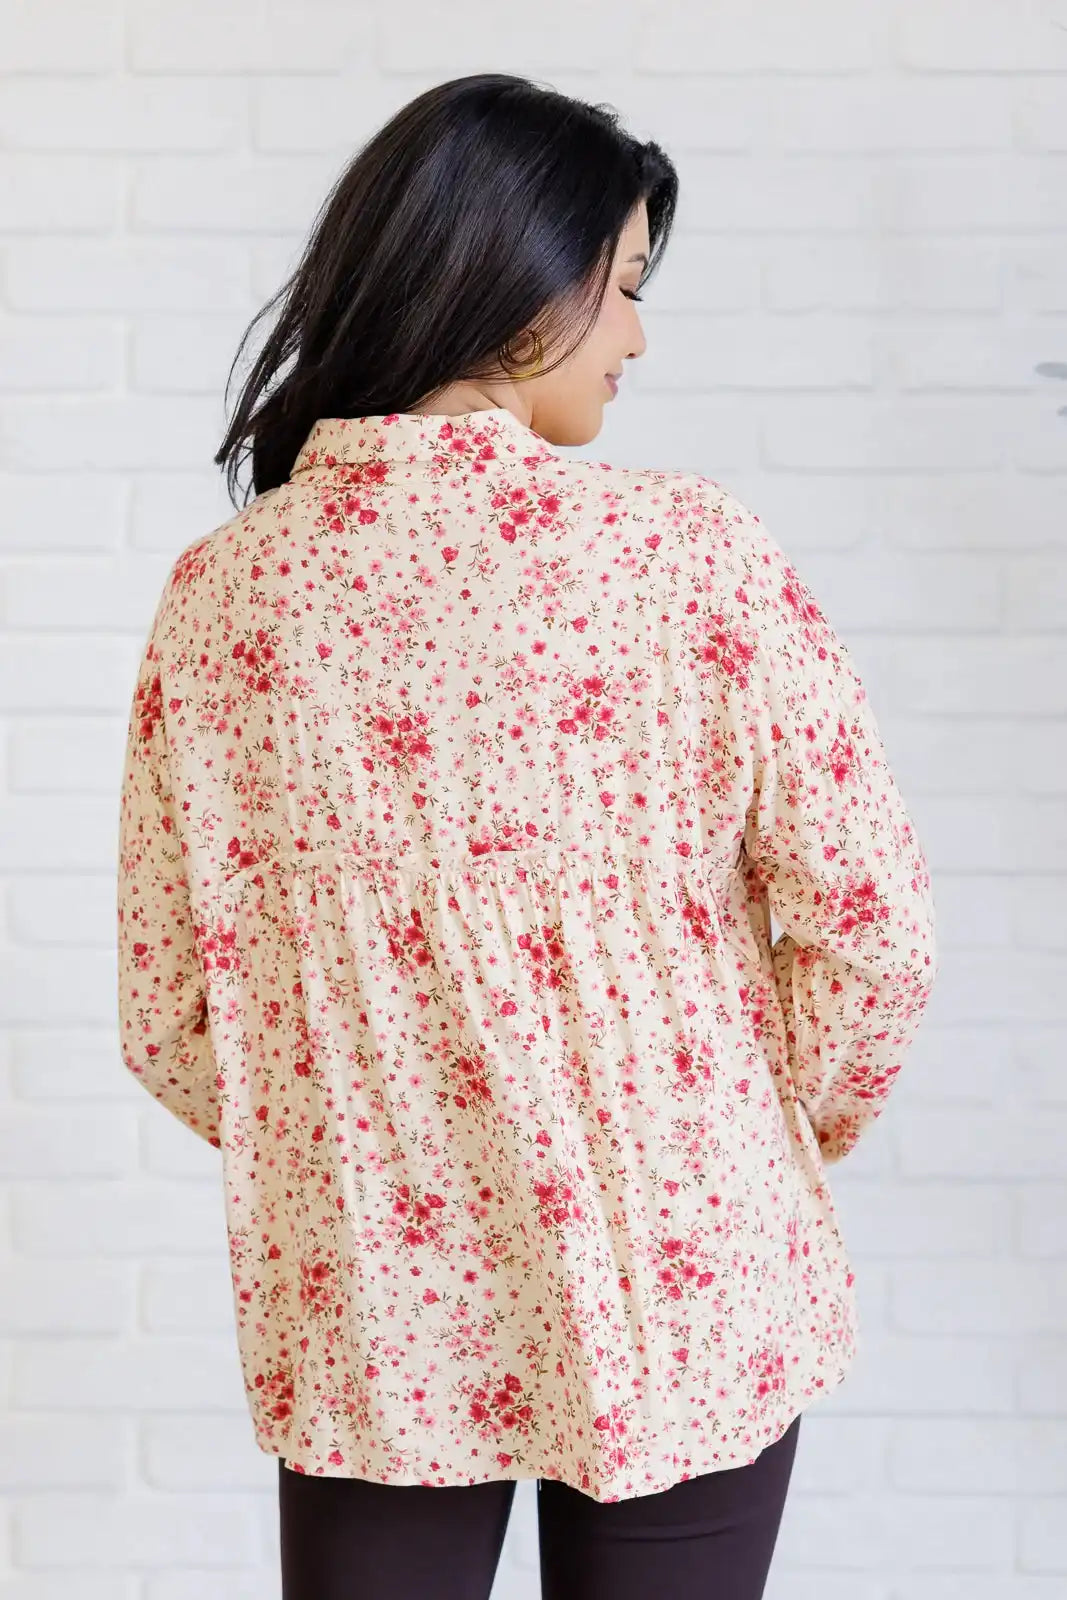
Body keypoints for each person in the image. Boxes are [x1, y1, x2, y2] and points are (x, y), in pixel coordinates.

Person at [116, 73, 937, 1600]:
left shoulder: (225, 598)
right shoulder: (689, 557)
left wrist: (376, 1130)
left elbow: (172, 1014)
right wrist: (753, 1130)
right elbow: (871, 933)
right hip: (687, 1271)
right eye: (623, 288)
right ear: (517, 291)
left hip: (376, 1297)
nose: (637, 337)